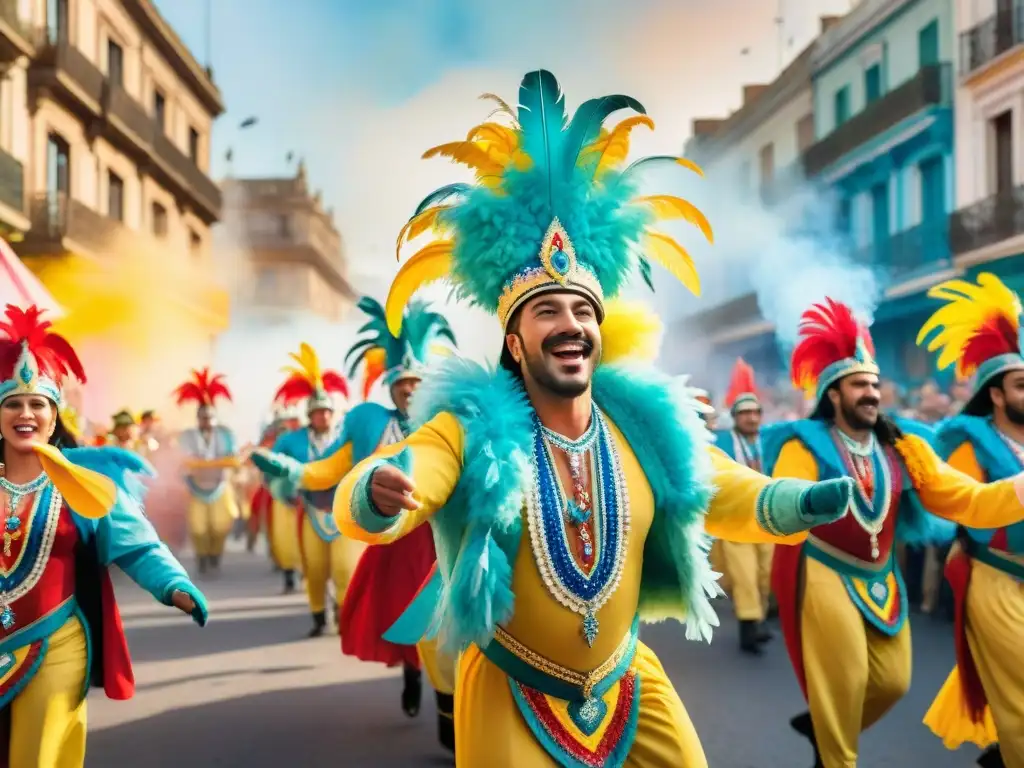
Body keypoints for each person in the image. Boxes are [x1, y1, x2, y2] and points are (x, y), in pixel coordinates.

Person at [329, 69, 856, 766]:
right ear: (514, 342)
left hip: (627, 684)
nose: (571, 324)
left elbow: (721, 487)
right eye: (548, 311)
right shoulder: (468, 429)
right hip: (510, 691)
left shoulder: (644, 424)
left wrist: (797, 501)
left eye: (584, 311)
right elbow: (404, 477)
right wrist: (375, 494)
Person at [764, 297, 1024, 768]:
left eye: (874, 384)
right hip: (824, 568)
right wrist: (803, 501)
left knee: (892, 682)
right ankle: (834, 756)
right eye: (857, 385)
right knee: (844, 679)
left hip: (881, 575)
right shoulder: (805, 442)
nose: (870, 393)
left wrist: (1017, 489)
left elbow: (965, 497)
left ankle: (827, 727)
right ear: (834, 394)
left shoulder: (904, 446)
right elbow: (784, 496)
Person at [0, 304, 207, 766]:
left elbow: (139, 544)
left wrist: (174, 585)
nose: (25, 413)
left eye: (38, 404)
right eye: (13, 403)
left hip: (55, 641)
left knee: (36, 756)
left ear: (55, 417)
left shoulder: (87, 479)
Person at [254, 296, 459, 749]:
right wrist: (291, 471)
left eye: (415, 381)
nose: (408, 389)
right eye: (401, 382)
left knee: (455, 630)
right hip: (398, 545)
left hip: (445, 539)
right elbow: (331, 467)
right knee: (425, 627)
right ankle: (435, 700)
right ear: (389, 386)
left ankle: (444, 697)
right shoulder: (367, 423)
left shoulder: (450, 423)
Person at [918, 274, 1024, 768]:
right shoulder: (969, 442)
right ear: (997, 395)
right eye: (1022, 385)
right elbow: (964, 506)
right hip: (997, 575)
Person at [265, 344, 355, 637]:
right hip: (310, 510)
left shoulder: (347, 434)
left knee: (344, 567)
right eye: (317, 412)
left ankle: (345, 614)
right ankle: (319, 616)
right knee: (314, 568)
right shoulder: (291, 440)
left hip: (343, 510)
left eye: (327, 411)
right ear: (310, 415)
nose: (323, 417)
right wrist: (283, 490)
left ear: (333, 412)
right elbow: (272, 467)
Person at [714, 358, 775, 654]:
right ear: (735, 417)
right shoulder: (722, 443)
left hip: (769, 518)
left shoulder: (772, 442)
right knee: (745, 573)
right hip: (736, 519)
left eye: (755, 412)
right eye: (745, 413)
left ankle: (758, 619)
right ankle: (750, 627)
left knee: (765, 574)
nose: (751, 418)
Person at [174, 368, 243, 575]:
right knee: (198, 528)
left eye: (209, 418)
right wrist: (206, 464)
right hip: (196, 488)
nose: (206, 422)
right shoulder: (187, 436)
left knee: (221, 526)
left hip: (220, 486)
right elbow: (184, 460)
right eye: (202, 418)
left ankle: (215, 554)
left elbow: (233, 459)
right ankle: (202, 557)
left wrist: (208, 463)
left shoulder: (226, 434)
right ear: (197, 419)